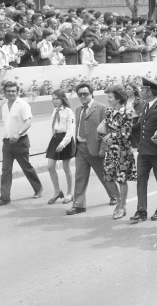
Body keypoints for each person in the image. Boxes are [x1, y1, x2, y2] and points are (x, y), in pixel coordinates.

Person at [66, 82, 117, 215]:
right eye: (80, 94)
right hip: (80, 147)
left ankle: (115, 196)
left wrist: (103, 147)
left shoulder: (101, 108)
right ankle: (78, 205)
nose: (83, 96)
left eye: (85, 94)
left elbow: (107, 130)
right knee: (80, 176)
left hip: (95, 147)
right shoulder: (78, 110)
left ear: (91, 94)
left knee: (103, 174)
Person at [0, 81, 43, 207]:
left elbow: (28, 122)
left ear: (17, 92)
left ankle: (38, 188)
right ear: (4, 93)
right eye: (8, 91)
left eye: (13, 91)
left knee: (26, 167)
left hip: (20, 141)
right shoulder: (4, 106)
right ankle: (5, 198)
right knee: (6, 170)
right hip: (7, 142)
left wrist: (18, 134)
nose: (11, 93)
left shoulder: (23, 105)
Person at [131, 77, 157, 223]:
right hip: (143, 151)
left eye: (142, 89)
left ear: (149, 91)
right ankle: (141, 210)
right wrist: (127, 130)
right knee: (141, 181)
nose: (141, 91)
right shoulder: (145, 106)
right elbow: (141, 126)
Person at [102, 85, 137, 219]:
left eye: (110, 97)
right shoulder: (109, 112)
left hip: (122, 150)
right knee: (108, 177)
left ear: (118, 98)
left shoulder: (126, 112)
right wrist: (106, 139)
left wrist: (110, 137)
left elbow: (126, 133)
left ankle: (122, 206)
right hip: (111, 150)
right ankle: (118, 200)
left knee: (121, 179)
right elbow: (103, 129)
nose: (108, 99)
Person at [46, 89, 75, 205]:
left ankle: (70, 193)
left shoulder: (68, 112)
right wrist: (50, 144)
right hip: (55, 139)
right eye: (53, 99)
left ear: (62, 99)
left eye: (57, 98)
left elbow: (70, 131)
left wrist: (63, 144)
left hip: (65, 140)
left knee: (66, 167)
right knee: (50, 166)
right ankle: (57, 191)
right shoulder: (54, 111)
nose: (55, 101)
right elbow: (53, 129)